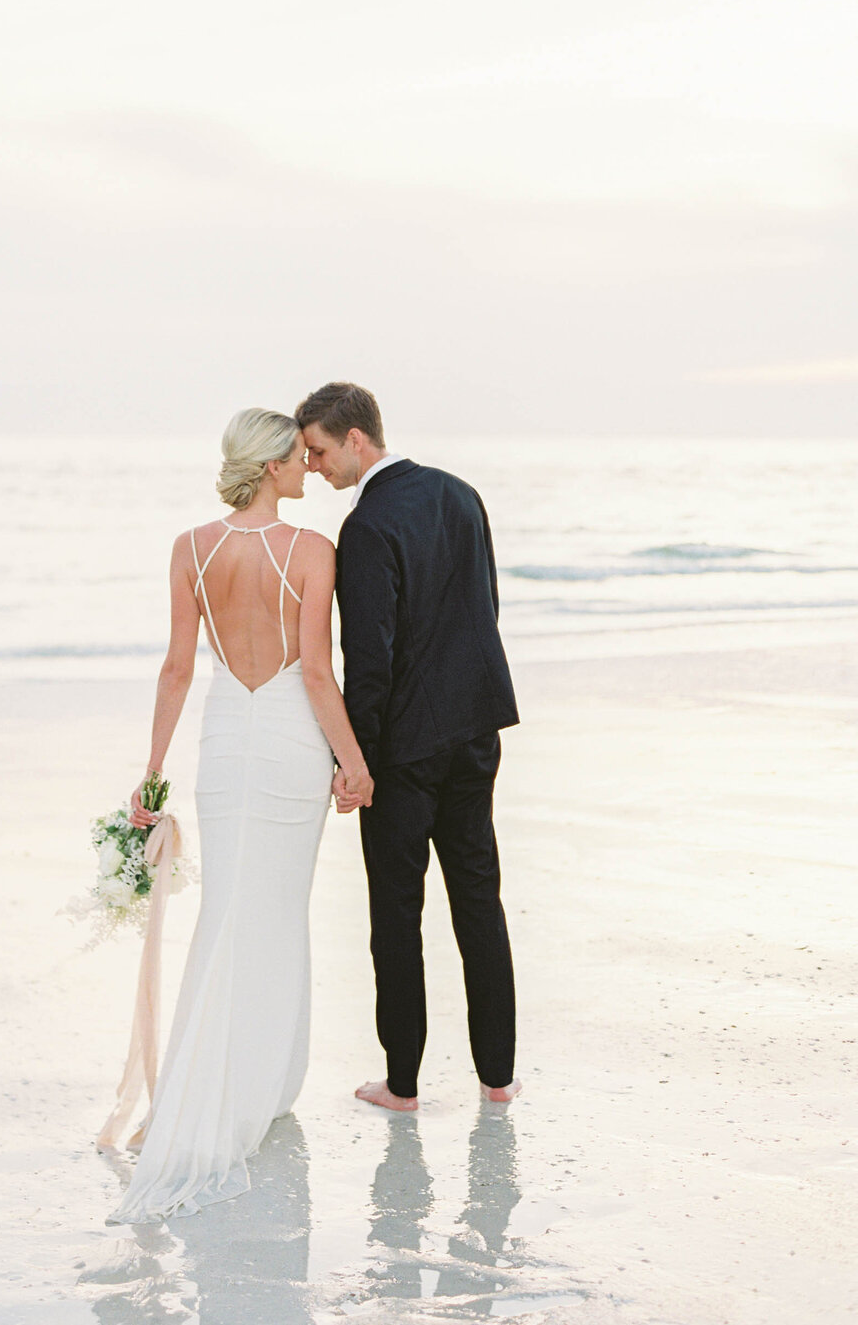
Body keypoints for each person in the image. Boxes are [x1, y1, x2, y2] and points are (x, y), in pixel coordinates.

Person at [108, 408, 372, 1224]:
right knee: (276, 912)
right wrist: (354, 762)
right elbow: (319, 677)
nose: (306, 469)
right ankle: (261, 1084)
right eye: (296, 458)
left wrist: (152, 772)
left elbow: (178, 668)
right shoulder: (312, 551)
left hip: (226, 738)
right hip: (292, 737)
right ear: (267, 469)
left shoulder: (191, 547)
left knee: (228, 908)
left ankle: (223, 1082)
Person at [295, 382, 521, 1110]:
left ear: (356, 439)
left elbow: (371, 659)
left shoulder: (366, 527)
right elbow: (483, 606)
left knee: (396, 913)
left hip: (403, 750)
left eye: (321, 451)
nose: (317, 466)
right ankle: (498, 1077)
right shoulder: (460, 494)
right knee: (478, 899)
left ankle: (402, 1083)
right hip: (475, 729)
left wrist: (351, 762)